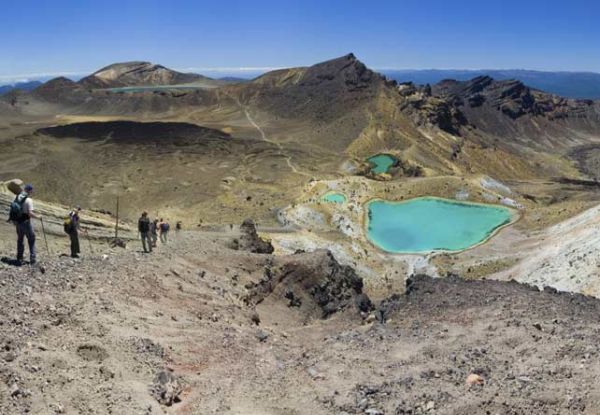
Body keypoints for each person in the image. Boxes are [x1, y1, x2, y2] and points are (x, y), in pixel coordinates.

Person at [12, 184, 41, 265]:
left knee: (20, 239)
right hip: (26, 222)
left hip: (18, 222)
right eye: (31, 190)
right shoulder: (29, 200)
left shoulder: (17, 198)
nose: (32, 192)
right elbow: (30, 213)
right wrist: (38, 217)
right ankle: (33, 258)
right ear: (30, 191)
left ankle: (19, 257)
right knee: (32, 239)